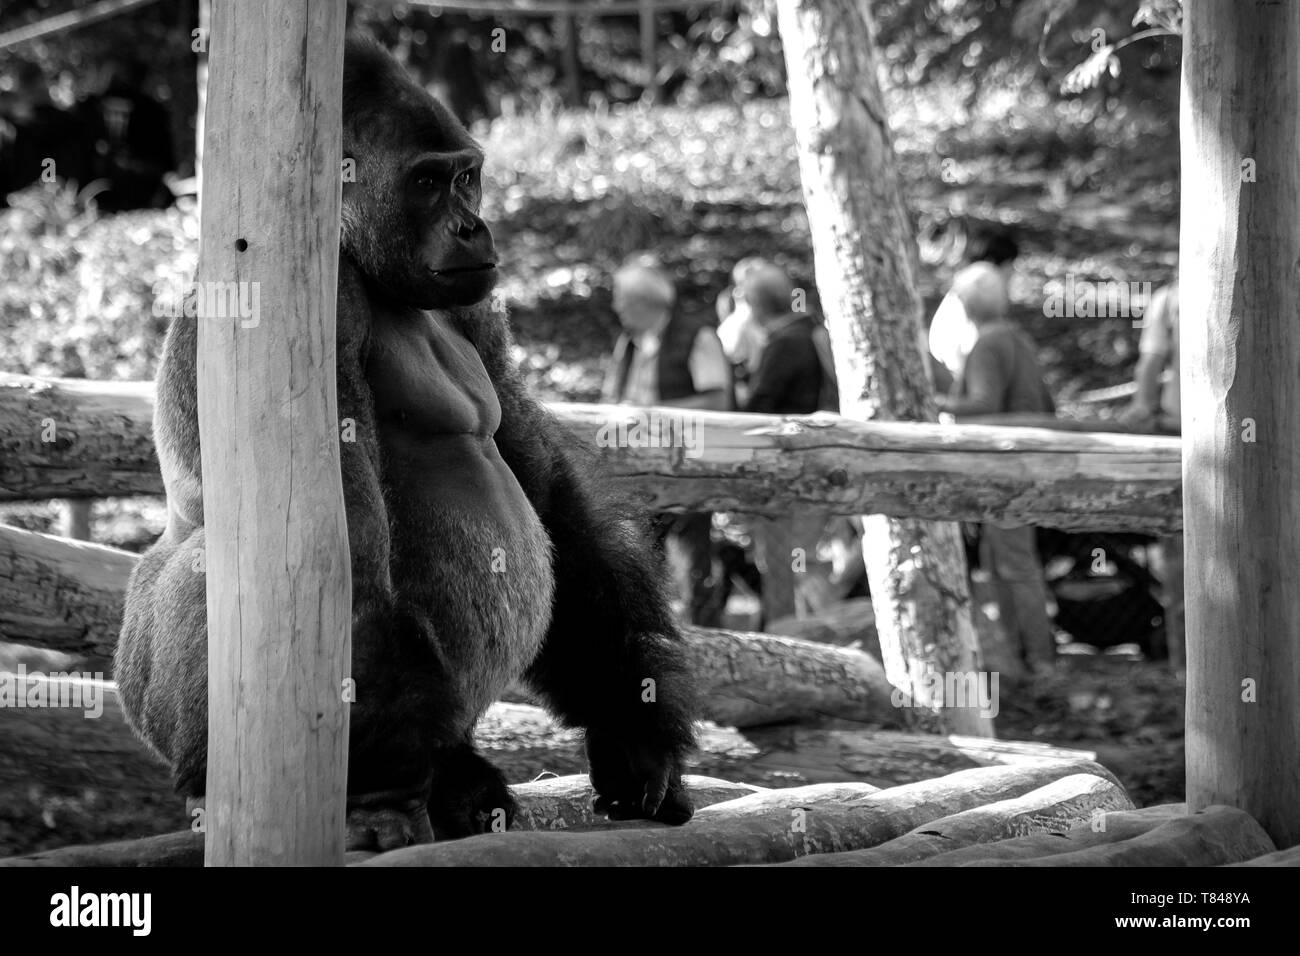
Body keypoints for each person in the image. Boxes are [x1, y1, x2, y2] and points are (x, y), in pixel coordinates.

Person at [938, 262, 1056, 673]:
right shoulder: (1017, 339)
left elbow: (983, 403)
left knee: (1014, 565)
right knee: (1006, 562)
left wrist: (935, 400)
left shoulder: (988, 344)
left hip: (1004, 466)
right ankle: (1015, 655)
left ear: (965, 305)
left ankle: (1037, 660)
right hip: (1022, 461)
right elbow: (1044, 402)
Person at [603, 256, 733, 625]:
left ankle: (709, 638)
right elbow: (611, 397)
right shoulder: (628, 343)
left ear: (646, 303)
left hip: (689, 465)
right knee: (639, 554)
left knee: (694, 557)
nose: (616, 307)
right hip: (636, 470)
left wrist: (648, 412)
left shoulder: (698, 335)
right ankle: (650, 632)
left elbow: (718, 401)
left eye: (622, 300)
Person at [739, 263, 837, 623]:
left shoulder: (784, 343)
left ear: (756, 306)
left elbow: (758, 406)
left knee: (788, 560)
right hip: (819, 461)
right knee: (802, 557)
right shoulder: (808, 331)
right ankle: (817, 627)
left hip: (788, 469)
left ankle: (796, 635)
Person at [1120, 282, 1182, 664]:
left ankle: (1185, 664)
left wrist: (1140, 411)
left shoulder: (1170, 298)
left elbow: (1151, 363)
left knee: (1181, 555)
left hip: (1184, 433)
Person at [928, 228, 1020, 394]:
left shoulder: (964, 292)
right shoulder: (975, 297)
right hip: (962, 386)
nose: (1012, 273)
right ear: (993, 264)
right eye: (1009, 266)